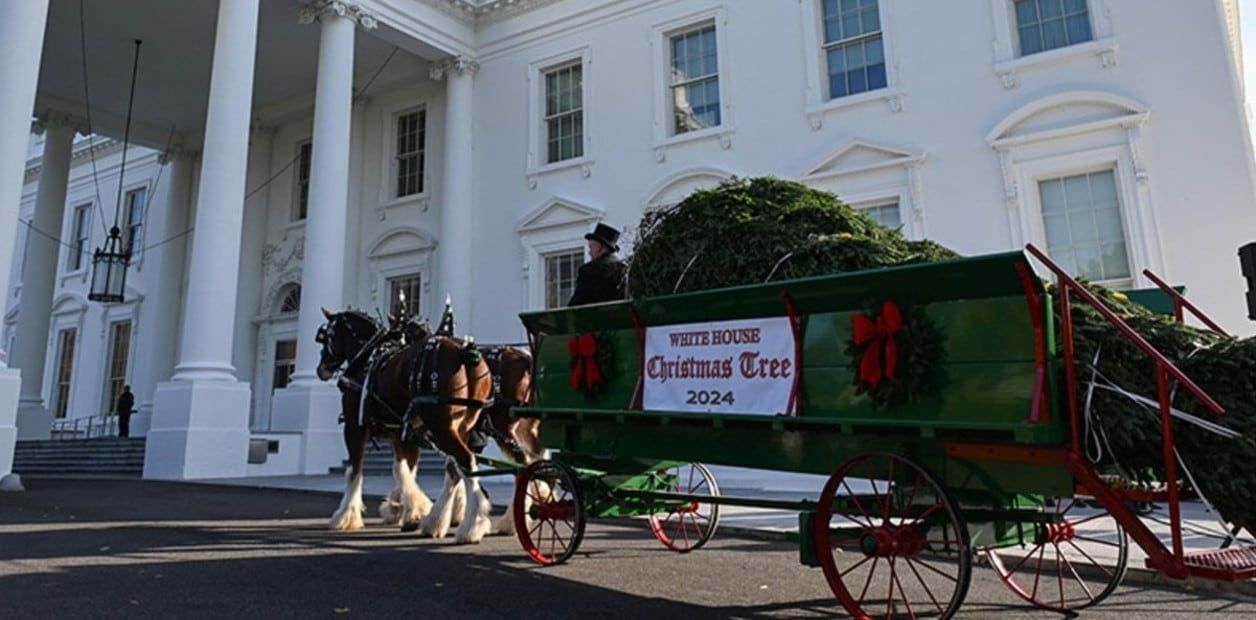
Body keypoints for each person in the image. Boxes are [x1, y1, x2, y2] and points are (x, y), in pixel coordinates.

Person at [568, 223, 627, 306]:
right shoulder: (624, 269)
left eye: (591, 247)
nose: (589, 252)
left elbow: (577, 303)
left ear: (600, 247)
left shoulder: (589, 270)